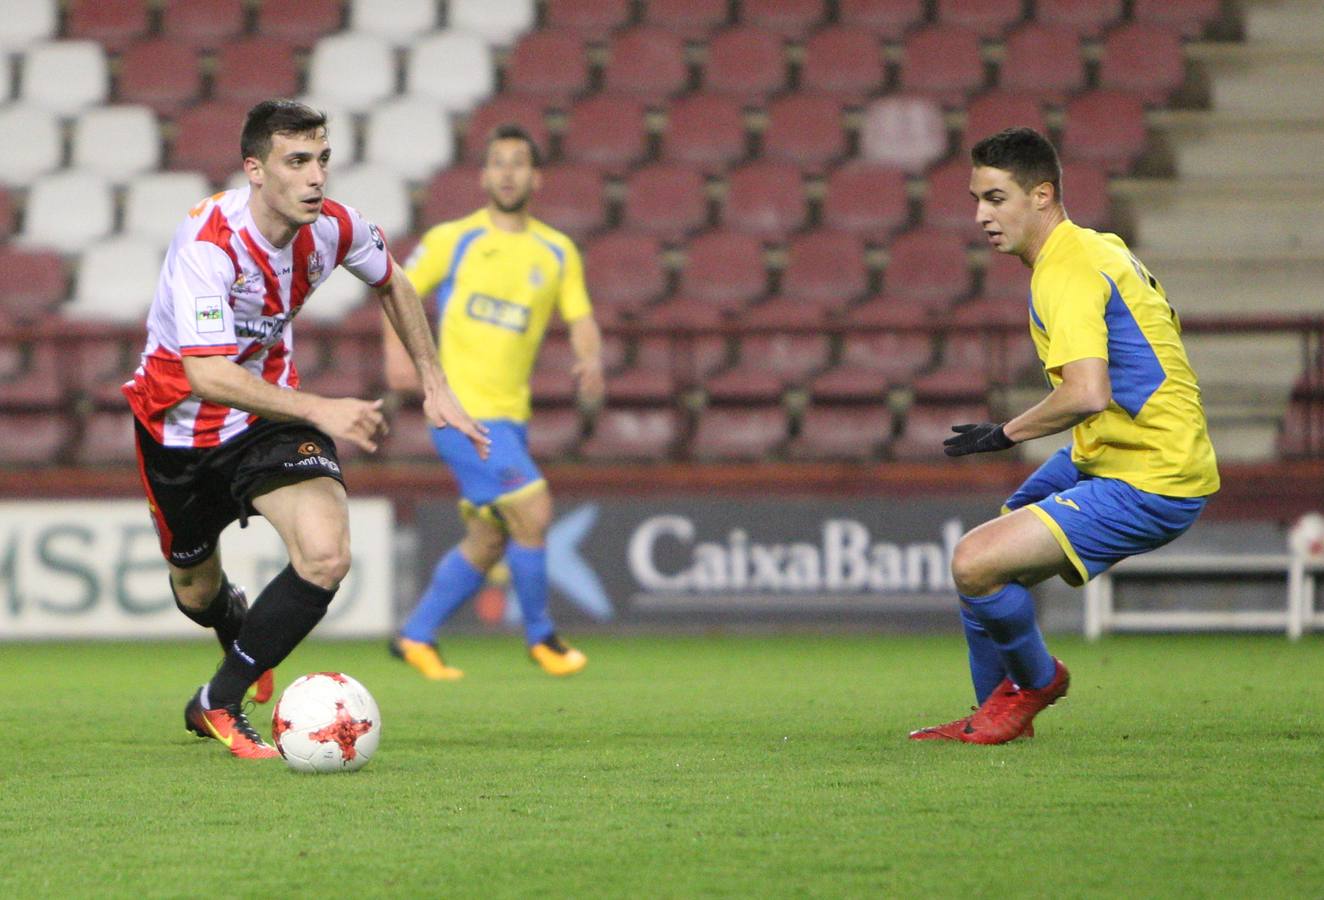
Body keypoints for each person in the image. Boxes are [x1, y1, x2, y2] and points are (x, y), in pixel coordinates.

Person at [123, 99, 489, 759]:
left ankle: (218, 699)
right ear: (255, 170)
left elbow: (396, 283)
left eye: (322, 159)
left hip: (268, 416)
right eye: (297, 161)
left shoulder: (335, 227)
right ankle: (234, 621)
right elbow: (205, 373)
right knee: (195, 591)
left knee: (326, 554)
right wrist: (322, 408)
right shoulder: (209, 243)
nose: (316, 177)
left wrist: (435, 383)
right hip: (179, 428)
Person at [910, 127, 1220, 744]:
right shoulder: (1096, 246)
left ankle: (1037, 682)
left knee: (975, 561)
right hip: (1120, 452)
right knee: (990, 556)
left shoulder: (1067, 270)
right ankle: (994, 714)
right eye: (977, 200)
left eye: (996, 199)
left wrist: (1002, 434)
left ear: (1042, 195)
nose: (981, 216)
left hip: (1151, 473)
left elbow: (1086, 393)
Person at [384, 123, 605, 680]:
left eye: (518, 163)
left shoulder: (556, 250)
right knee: (534, 508)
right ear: (483, 176)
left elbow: (581, 317)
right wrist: (399, 360)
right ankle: (542, 637)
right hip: (460, 413)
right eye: (498, 163)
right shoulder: (453, 238)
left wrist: (590, 358)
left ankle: (416, 635)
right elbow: (394, 289)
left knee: (489, 538)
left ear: (537, 178)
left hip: (511, 417)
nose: (508, 173)